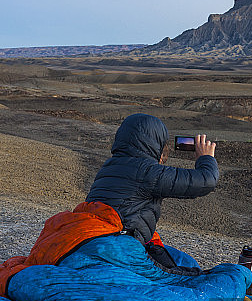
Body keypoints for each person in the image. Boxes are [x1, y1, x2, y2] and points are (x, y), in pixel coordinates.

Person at [85, 113, 218, 274]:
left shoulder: (110, 165)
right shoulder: (147, 171)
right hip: (120, 247)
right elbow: (206, 180)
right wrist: (205, 157)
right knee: (193, 277)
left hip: (95, 240)